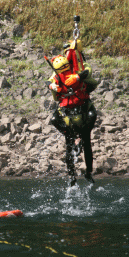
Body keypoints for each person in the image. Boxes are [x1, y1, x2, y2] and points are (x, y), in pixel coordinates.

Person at [47, 37, 99, 187]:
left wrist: (77, 76)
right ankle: (71, 176)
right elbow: (50, 82)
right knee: (67, 142)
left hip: (83, 108)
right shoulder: (57, 75)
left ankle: (88, 173)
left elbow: (87, 72)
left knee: (87, 140)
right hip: (67, 112)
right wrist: (53, 87)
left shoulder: (79, 66)